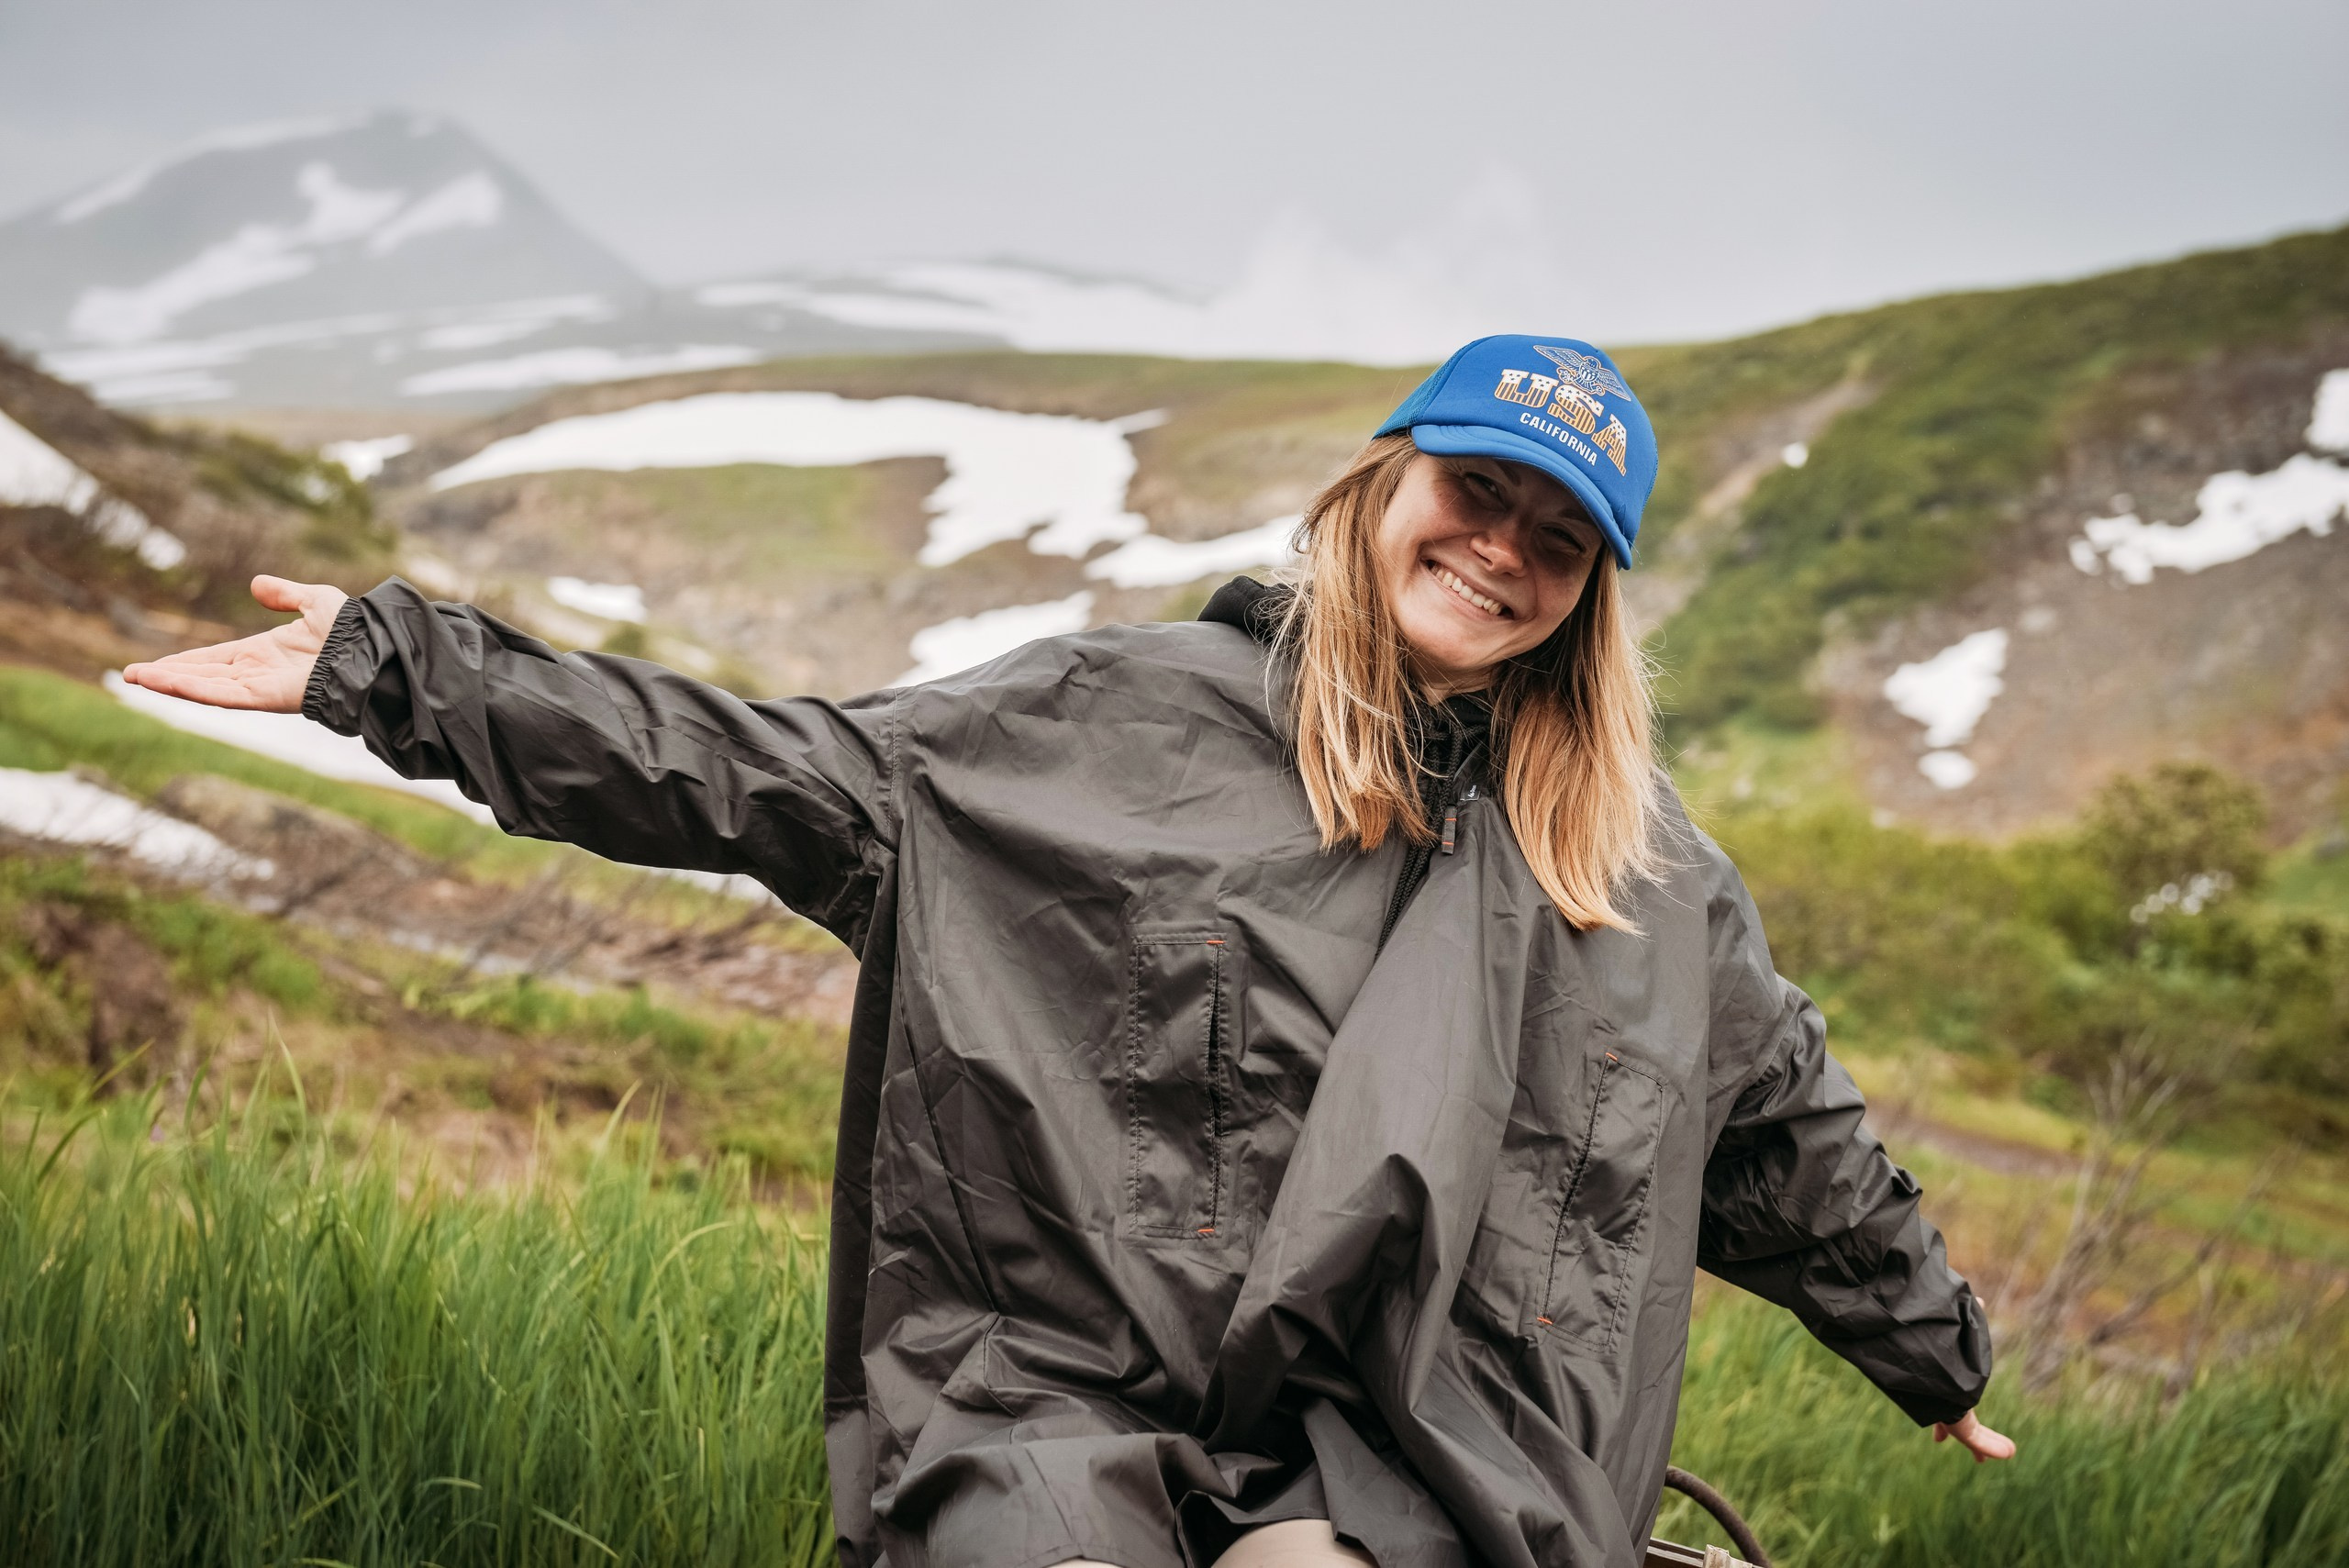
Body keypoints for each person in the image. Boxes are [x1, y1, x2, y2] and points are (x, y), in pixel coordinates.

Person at [127, 335, 2012, 1568]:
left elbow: (1780, 1123)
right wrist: (401, 671)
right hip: (1060, 1399)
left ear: (1591, 591)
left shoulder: (1644, 880)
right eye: (1475, 493)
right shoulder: (1111, 720)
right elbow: (760, 770)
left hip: (1409, 1451)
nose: (1500, 550)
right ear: (1383, 486)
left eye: (1557, 536)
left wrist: (1929, 1348)